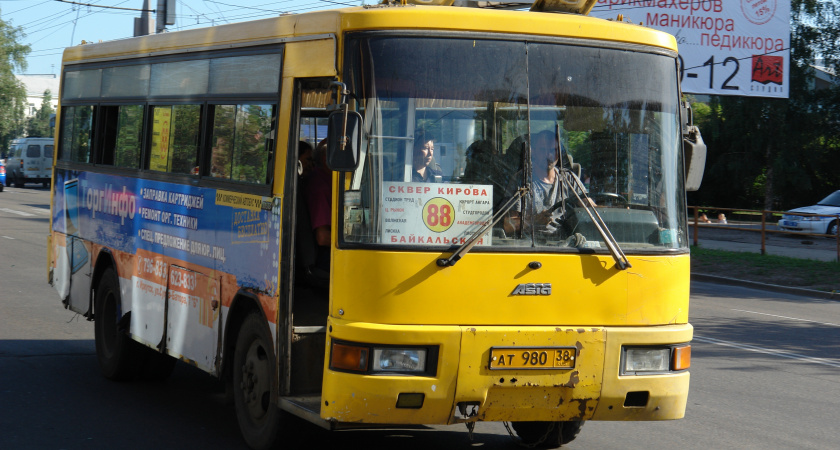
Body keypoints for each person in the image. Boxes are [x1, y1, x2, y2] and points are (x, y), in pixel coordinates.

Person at [503, 130, 586, 236]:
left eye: (553, 150)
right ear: (533, 151)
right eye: (543, 150)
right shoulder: (520, 180)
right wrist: (534, 220)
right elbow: (508, 225)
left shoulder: (568, 179)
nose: (549, 155)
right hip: (528, 245)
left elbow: (591, 208)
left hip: (566, 245)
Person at [303, 139, 332, 271]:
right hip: (323, 257)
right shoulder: (321, 188)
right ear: (327, 159)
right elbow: (323, 237)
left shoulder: (326, 180)